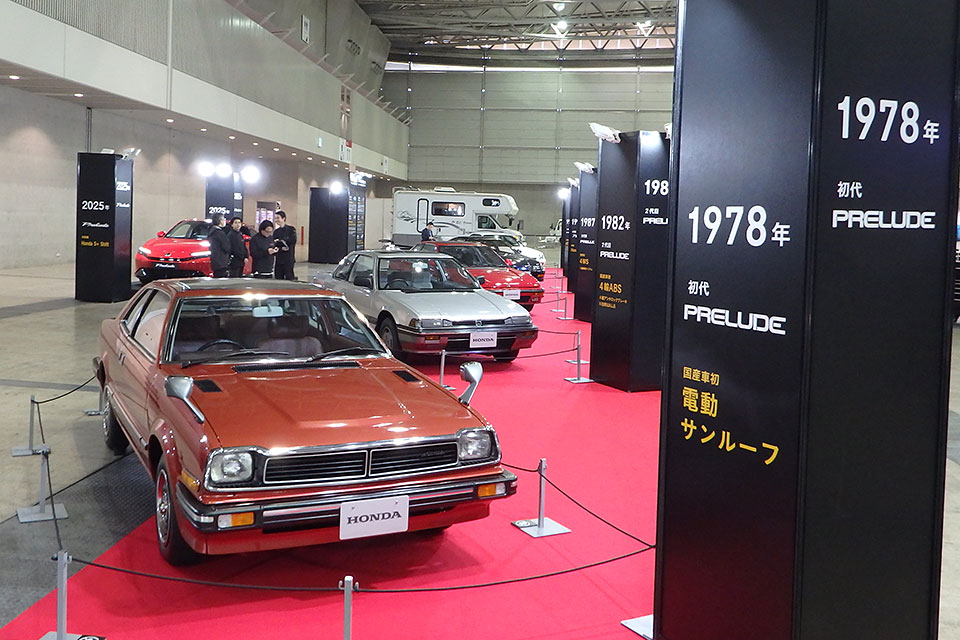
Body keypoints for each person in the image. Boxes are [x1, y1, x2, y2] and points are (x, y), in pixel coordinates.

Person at [272, 210, 297, 280]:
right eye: (275, 218)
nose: (276, 220)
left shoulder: (291, 229)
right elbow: (275, 244)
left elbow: (292, 240)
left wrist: (283, 241)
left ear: (284, 218)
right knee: (278, 277)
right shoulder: (276, 232)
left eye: (278, 218)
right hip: (279, 258)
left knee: (289, 277)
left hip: (288, 258)